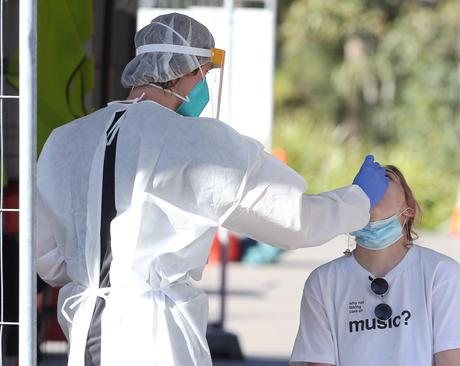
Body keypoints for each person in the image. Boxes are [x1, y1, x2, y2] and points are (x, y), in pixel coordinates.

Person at [35, 13, 388, 366]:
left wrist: (100, 272)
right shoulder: (198, 143)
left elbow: (48, 262)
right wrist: (357, 199)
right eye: (203, 73)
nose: (203, 84)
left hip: (84, 331)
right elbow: (292, 220)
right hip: (153, 337)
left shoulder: (64, 141)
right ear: (184, 72)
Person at [290, 166, 460, 366]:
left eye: (388, 178)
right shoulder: (323, 282)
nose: (374, 181)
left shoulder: (442, 273)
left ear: (408, 210)